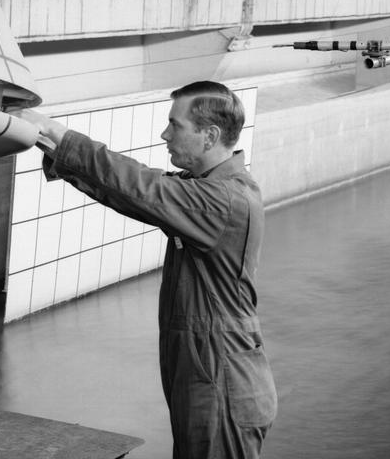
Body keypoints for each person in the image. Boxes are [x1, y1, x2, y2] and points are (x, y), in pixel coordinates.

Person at [29, 80, 277, 459]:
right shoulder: (206, 188)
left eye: (174, 125)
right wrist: (53, 150)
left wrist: (58, 135)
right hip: (208, 368)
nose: (165, 134)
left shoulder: (223, 199)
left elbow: (144, 188)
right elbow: (131, 194)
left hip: (222, 378)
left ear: (209, 136)